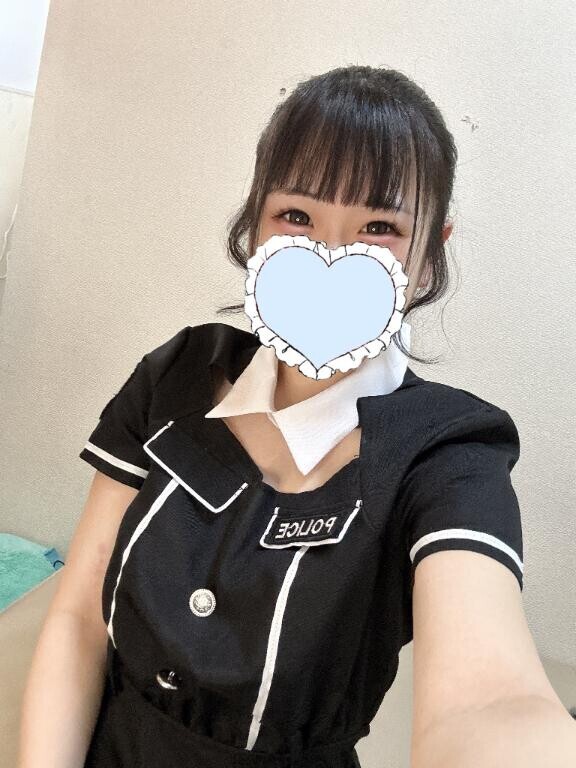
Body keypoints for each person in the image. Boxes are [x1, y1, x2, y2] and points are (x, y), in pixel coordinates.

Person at [18, 65, 574, 768]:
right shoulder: (176, 377)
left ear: (430, 258)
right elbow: (78, 615)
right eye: (297, 217)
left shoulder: (449, 450)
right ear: (254, 226)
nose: (331, 256)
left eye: (380, 227)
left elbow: (488, 698)